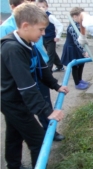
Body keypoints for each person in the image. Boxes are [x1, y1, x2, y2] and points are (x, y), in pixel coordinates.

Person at [1, 3, 69, 168]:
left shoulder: (28, 42)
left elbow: (41, 67)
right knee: (38, 140)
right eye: (40, 29)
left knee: (14, 133)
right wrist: (47, 111)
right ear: (25, 26)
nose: (43, 33)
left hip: (18, 99)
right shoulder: (12, 49)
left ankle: (13, 165)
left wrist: (55, 85)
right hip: (12, 102)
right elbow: (26, 86)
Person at [61, 7, 90, 90]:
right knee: (75, 66)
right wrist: (84, 51)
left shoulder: (78, 25)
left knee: (81, 64)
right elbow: (77, 41)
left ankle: (80, 80)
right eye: (81, 17)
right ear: (74, 17)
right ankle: (77, 83)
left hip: (77, 48)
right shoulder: (72, 27)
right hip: (72, 49)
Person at [37, 0, 64, 72]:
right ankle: (60, 66)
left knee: (50, 55)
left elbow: (60, 25)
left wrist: (58, 36)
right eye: (39, 7)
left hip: (51, 39)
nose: (41, 8)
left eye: (43, 7)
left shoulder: (50, 16)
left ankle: (48, 71)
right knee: (52, 53)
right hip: (43, 38)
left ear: (47, 7)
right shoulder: (38, 16)